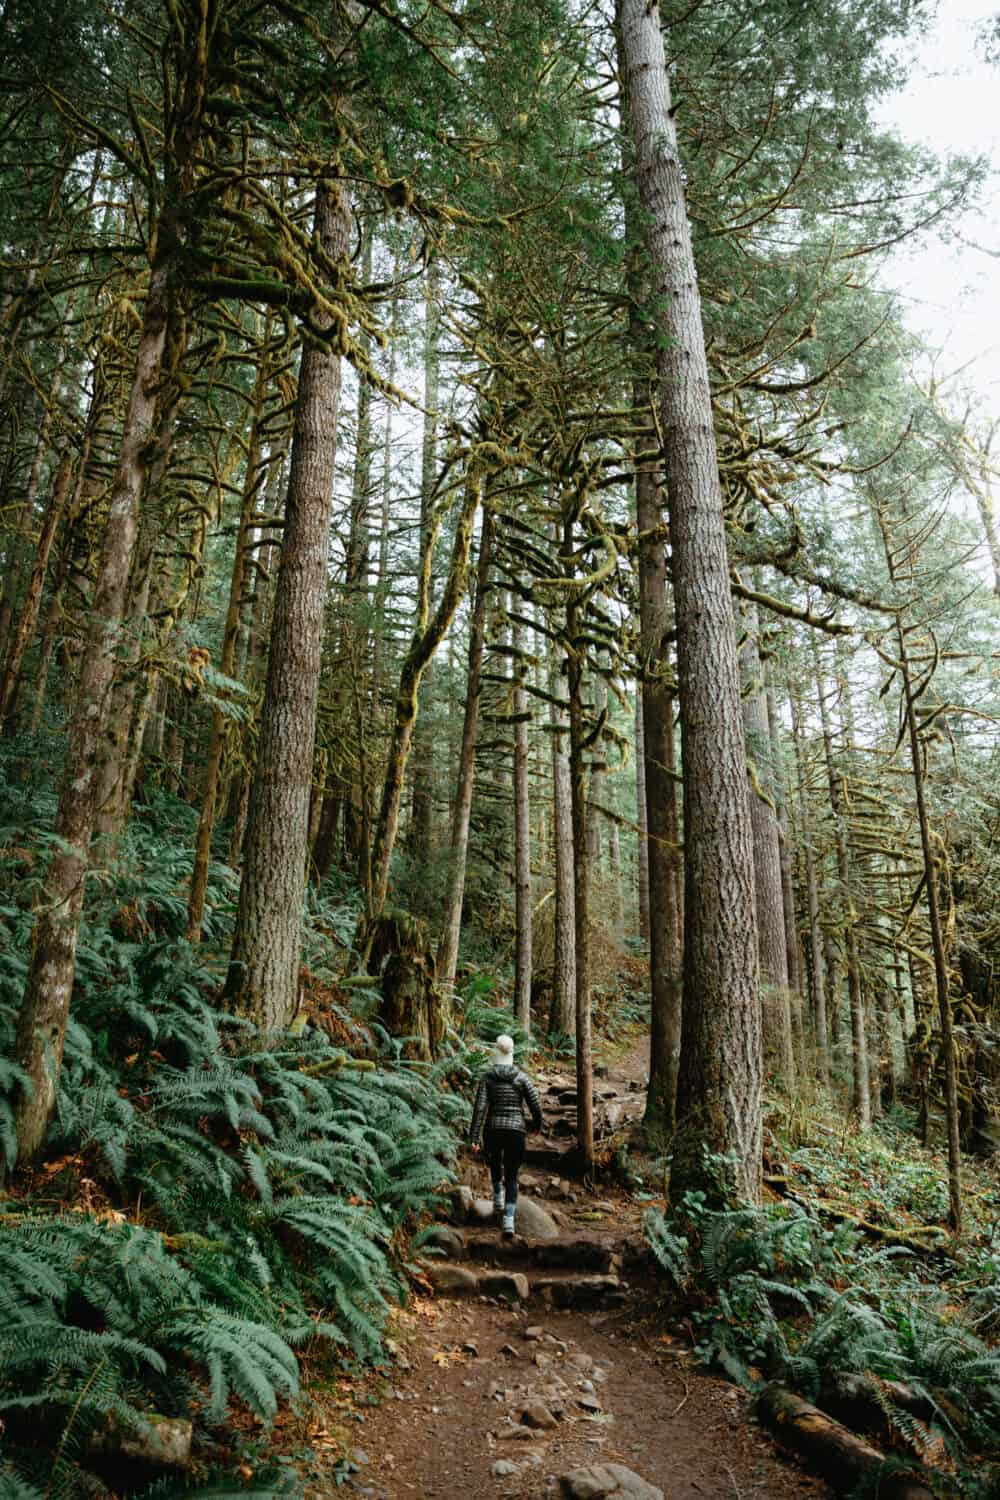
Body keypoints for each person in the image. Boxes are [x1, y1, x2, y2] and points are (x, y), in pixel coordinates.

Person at [469, 1033, 543, 1238]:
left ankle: (497, 1198)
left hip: (492, 1129)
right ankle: (509, 1221)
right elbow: (535, 1104)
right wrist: (538, 1125)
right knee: (512, 1175)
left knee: (494, 1160)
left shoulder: (487, 1078)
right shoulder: (521, 1077)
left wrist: (474, 1137)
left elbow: (480, 1108)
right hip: (516, 1131)